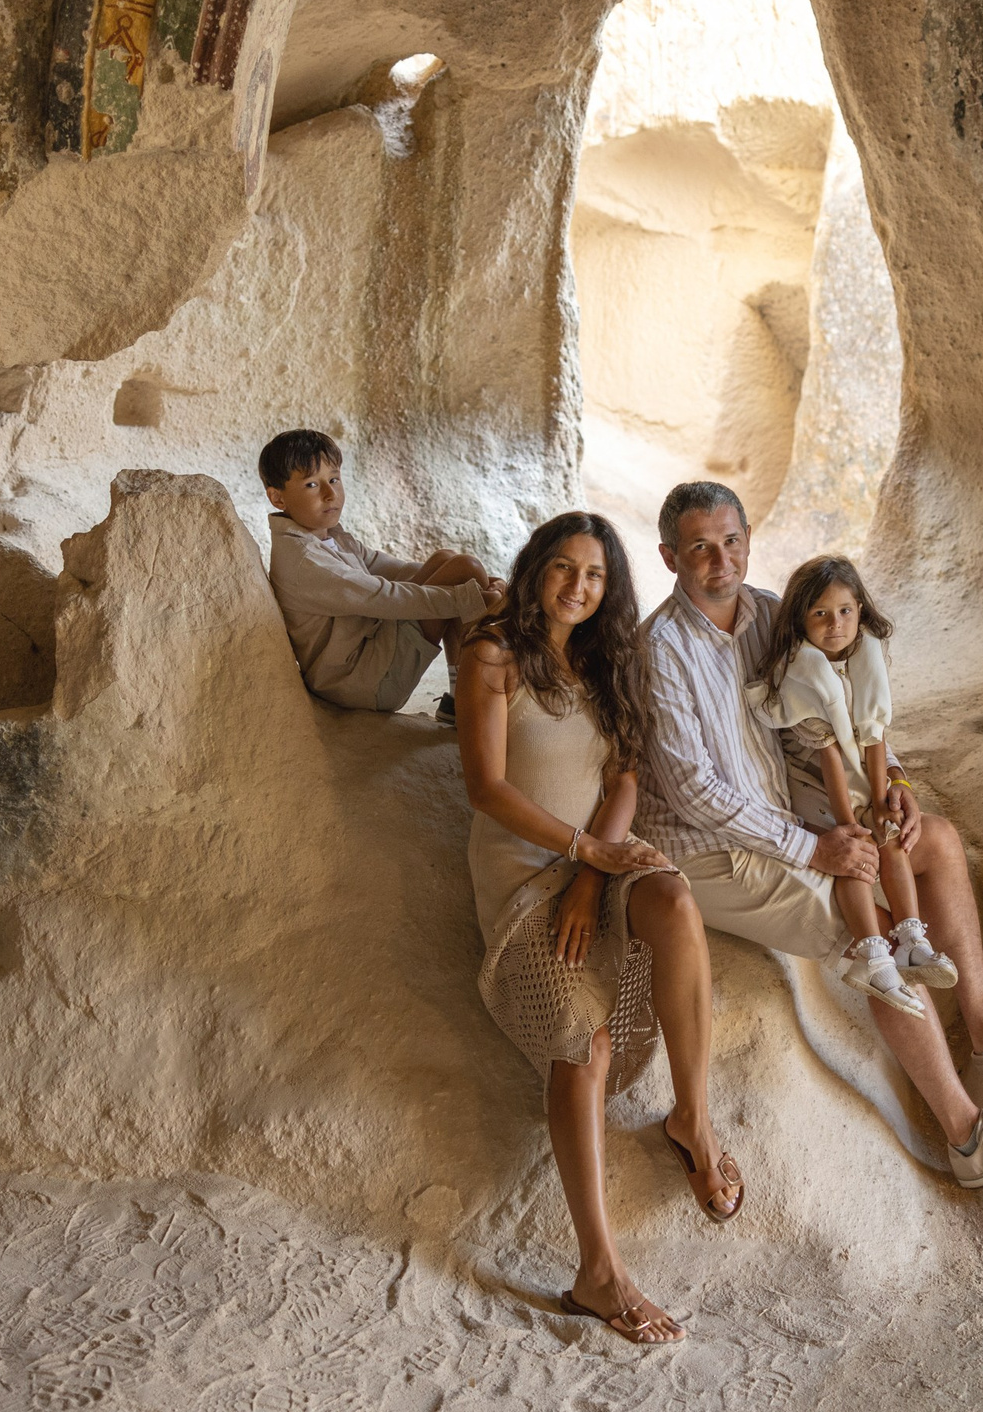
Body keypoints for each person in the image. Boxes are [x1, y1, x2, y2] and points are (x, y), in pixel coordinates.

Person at [638, 481, 983, 1189]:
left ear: (749, 539)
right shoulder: (661, 650)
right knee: (870, 935)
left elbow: (840, 716)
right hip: (712, 850)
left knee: (929, 839)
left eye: (731, 541)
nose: (720, 560)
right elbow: (696, 791)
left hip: (788, 809)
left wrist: (894, 787)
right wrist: (816, 848)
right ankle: (969, 1138)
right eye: (699, 547)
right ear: (670, 556)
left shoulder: (767, 616)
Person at [457, 511, 742, 1346]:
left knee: (677, 903)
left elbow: (626, 775)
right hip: (522, 886)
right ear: (537, 568)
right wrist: (578, 854)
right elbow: (487, 788)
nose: (578, 587)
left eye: (595, 574)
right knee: (585, 1043)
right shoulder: (494, 657)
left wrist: (593, 871)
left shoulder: (607, 662)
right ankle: (598, 1272)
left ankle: (692, 1117)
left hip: (600, 865)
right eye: (563, 568)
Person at [749, 554, 956, 1020]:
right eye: (819, 614)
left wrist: (885, 797)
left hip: (858, 769)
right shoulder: (801, 672)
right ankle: (874, 955)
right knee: (855, 853)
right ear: (801, 620)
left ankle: (909, 938)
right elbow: (828, 760)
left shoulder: (867, 653)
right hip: (813, 778)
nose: (835, 623)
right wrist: (848, 823)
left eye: (844, 610)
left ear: (861, 608)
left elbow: (874, 734)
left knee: (890, 836)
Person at [262, 429, 502, 717]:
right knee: (465, 571)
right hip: (360, 682)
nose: (330, 494)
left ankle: (458, 698)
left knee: (450, 561)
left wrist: (475, 587)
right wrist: (467, 597)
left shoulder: (328, 537)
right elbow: (381, 596)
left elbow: (394, 569)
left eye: (334, 479)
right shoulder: (304, 560)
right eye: (312, 484)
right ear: (278, 498)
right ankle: (471, 705)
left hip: (369, 656)